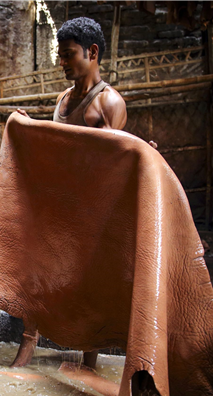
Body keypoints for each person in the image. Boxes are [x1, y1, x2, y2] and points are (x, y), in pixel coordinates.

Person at [13, 17, 129, 369]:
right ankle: (26, 351)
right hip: (56, 205)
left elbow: (113, 164)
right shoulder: (64, 100)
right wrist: (28, 128)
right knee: (36, 278)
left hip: (91, 212)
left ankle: (88, 362)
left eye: (69, 55)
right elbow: (56, 147)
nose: (62, 62)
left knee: (88, 285)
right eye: (60, 55)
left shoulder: (109, 104)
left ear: (92, 52)